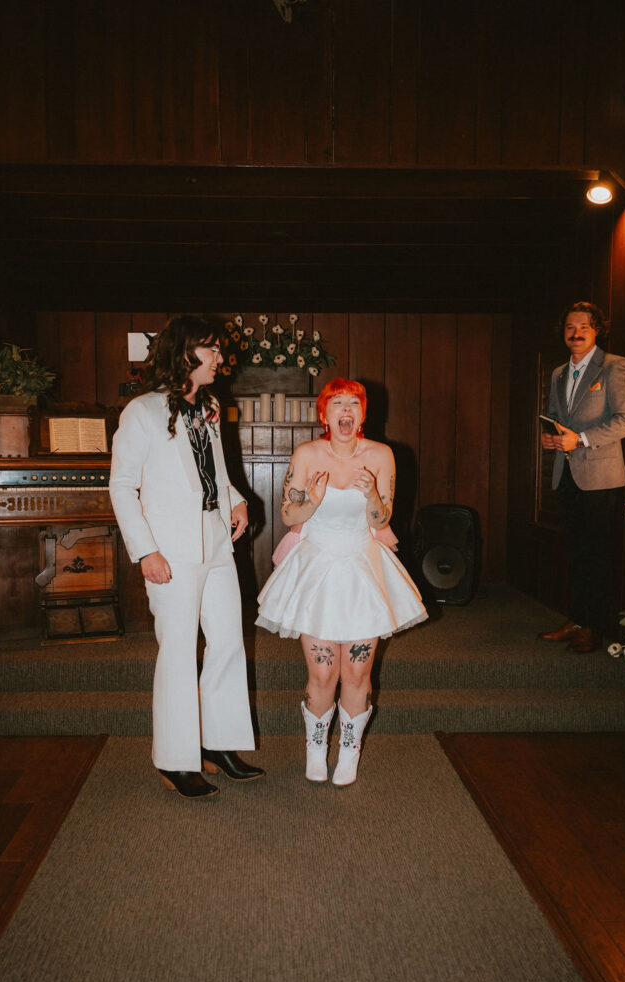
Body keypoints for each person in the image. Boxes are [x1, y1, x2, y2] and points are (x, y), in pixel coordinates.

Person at [110, 314, 264, 799]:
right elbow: (121, 486)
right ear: (184, 354)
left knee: (227, 642)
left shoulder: (211, 405)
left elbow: (214, 470)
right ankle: (176, 759)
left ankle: (217, 743)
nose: (220, 358)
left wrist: (235, 496)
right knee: (178, 651)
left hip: (217, 542)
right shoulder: (141, 412)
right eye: (211, 350)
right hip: (170, 552)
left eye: (218, 350)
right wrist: (145, 552)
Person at [256, 378, 428, 786]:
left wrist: (372, 497)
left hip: (361, 569)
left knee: (355, 674)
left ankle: (348, 751)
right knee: (322, 674)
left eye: (354, 404)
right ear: (324, 414)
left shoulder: (381, 455)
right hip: (315, 568)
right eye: (337, 404)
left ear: (363, 414)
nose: (346, 411)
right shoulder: (307, 453)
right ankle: (316, 749)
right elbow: (288, 516)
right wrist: (312, 501)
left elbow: (381, 521)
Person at [539, 301, 625, 653]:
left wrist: (581, 439)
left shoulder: (615, 367)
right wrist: (552, 437)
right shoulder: (558, 373)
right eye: (569, 327)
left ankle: (592, 628)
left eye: (584, 327)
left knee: (597, 555)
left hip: (600, 479)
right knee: (576, 553)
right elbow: (553, 415)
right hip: (566, 475)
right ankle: (577, 619)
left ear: (597, 331)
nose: (575, 333)